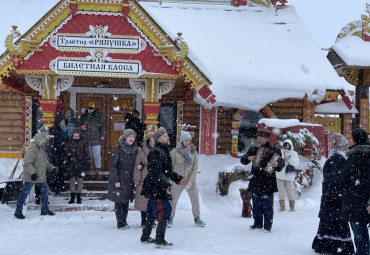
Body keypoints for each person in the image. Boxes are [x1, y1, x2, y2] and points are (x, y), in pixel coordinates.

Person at [140, 127, 187, 246]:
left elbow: (167, 171)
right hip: (157, 186)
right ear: (159, 139)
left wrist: (178, 178)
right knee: (164, 210)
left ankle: (145, 237)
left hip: (156, 184)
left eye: (167, 136)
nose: (167, 138)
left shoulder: (163, 150)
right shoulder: (156, 151)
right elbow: (156, 172)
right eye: (165, 136)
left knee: (151, 210)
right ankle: (159, 240)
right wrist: (166, 185)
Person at [328, 128, 370, 255]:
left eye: (350, 138)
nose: (348, 140)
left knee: (359, 233)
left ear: (357, 140)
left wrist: (328, 176)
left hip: (357, 202)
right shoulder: (363, 154)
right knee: (360, 233)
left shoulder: (357, 157)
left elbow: (343, 176)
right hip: (359, 200)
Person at [312, 135, 354, 255]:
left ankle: (328, 245)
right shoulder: (339, 158)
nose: (328, 144)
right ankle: (335, 245)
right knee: (334, 222)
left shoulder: (337, 159)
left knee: (332, 221)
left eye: (330, 142)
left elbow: (336, 180)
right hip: (334, 197)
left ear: (336, 145)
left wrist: (332, 196)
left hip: (333, 198)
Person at [240, 129, 284, 232]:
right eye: (257, 138)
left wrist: (276, 165)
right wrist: (248, 158)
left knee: (267, 206)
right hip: (255, 181)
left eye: (259, 138)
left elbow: (281, 163)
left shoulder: (275, 150)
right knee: (256, 205)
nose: (257, 140)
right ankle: (257, 224)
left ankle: (267, 226)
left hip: (268, 182)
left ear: (266, 139)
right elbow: (243, 160)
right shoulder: (253, 149)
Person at [14, 127, 56, 219]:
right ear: (40, 137)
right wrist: (33, 173)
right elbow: (26, 163)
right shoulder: (33, 149)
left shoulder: (41, 150)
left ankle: (44, 210)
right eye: (44, 133)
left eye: (47, 132)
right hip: (31, 176)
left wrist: (52, 168)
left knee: (45, 190)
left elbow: (45, 162)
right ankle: (18, 211)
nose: (46, 135)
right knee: (25, 192)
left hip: (40, 176)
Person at [169, 131, 205, 227]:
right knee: (173, 199)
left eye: (189, 140)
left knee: (195, 199)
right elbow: (170, 168)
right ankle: (170, 217)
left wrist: (191, 181)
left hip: (190, 180)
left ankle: (197, 218)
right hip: (177, 180)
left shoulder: (194, 153)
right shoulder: (174, 152)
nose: (188, 142)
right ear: (181, 141)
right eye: (185, 140)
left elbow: (195, 168)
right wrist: (172, 181)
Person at [108, 129, 138, 230]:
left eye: (133, 137)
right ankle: (120, 222)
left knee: (125, 201)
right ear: (125, 137)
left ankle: (124, 221)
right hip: (120, 178)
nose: (132, 139)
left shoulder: (135, 149)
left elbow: (138, 163)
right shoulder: (117, 149)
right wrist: (116, 180)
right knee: (119, 201)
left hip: (129, 179)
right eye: (130, 136)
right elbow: (113, 166)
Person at [64, 128, 91, 204]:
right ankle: (72, 196)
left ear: (79, 134)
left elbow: (87, 153)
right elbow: (67, 152)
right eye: (74, 133)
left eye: (77, 133)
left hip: (81, 162)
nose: (75, 135)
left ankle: (79, 196)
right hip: (71, 163)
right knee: (72, 180)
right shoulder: (69, 142)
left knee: (80, 180)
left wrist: (88, 162)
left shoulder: (84, 142)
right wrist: (66, 161)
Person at [134, 132, 155, 227]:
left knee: (153, 200)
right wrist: (137, 179)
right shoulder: (142, 151)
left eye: (153, 140)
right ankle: (143, 221)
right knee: (143, 200)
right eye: (150, 140)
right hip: (144, 176)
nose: (152, 142)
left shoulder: (160, 150)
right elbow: (137, 165)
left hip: (156, 177)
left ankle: (152, 220)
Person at [47, 114, 69, 193]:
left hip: (63, 152)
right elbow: (53, 139)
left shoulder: (66, 129)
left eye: (64, 120)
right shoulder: (54, 128)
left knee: (61, 170)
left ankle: (61, 185)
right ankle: (54, 186)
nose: (63, 122)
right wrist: (60, 142)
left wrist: (65, 142)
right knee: (55, 170)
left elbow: (67, 138)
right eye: (62, 120)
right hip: (55, 152)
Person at [276, 139, 299, 212]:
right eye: (286, 145)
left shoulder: (294, 153)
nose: (287, 147)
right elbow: (275, 161)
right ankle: (282, 207)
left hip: (289, 175)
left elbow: (296, 164)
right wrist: (281, 159)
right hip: (280, 174)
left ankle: (292, 207)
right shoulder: (280, 152)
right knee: (280, 191)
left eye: (289, 145)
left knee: (290, 191)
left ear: (291, 146)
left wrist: (289, 158)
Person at [80, 105, 106, 170]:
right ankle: (89, 167)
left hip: (96, 139)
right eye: (89, 109)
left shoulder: (98, 116)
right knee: (88, 155)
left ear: (94, 109)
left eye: (92, 109)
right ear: (87, 109)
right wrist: (81, 128)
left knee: (97, 155)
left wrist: (103, 135)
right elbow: (79, 125)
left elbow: (102, 127)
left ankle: (98, 168)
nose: (91, 110)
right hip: (86, 139)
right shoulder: (83, 116)